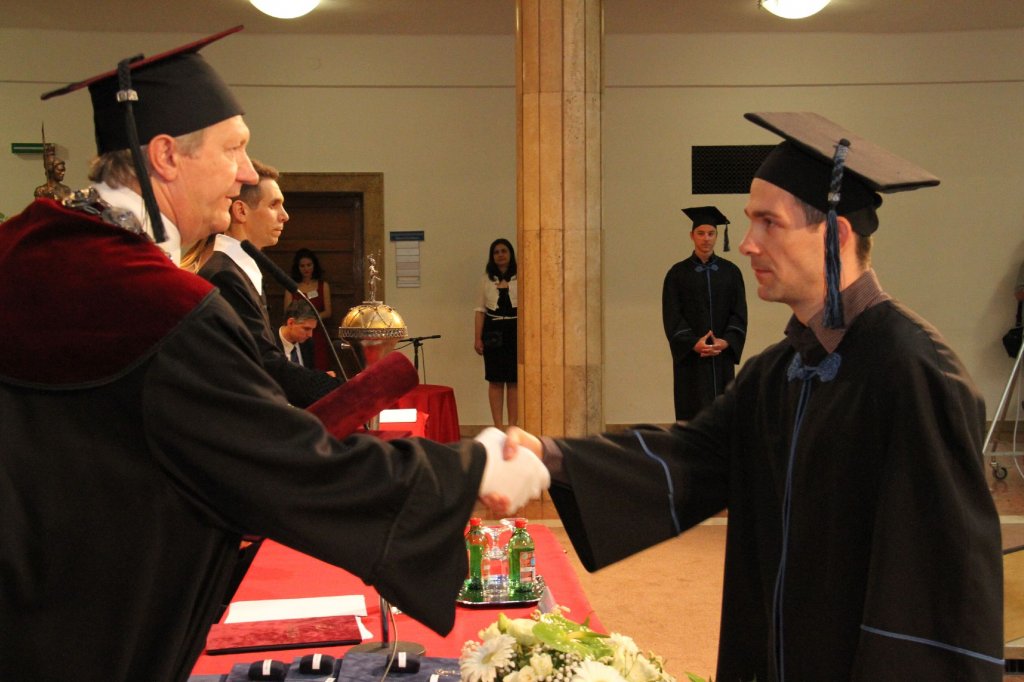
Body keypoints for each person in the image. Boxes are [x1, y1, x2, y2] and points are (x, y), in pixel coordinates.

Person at [0, 28, 549, 682]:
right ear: (166, 155)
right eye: (234, 148)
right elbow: (288, 464)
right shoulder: (162, 306)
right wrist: (469, 470)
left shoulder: (23, 253)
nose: (246, 174)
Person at [498, 112, 1004, 680]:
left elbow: (940, 593)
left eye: (769, 223)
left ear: (834, 235)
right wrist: (549, 457)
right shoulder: (777, 373)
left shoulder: (914, 373)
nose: (746, 244)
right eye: (748, 223)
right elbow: (692, 456)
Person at [198, 159, 342, 407]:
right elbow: (261, 362)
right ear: (241, 211)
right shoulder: (224, 274)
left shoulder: (239, 268)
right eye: (274, 205)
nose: (285, 216)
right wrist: (334, 388)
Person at [661, 205, 747, 420]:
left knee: (723, 411)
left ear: (717, 236)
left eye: (711, 233)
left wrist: (726, 341)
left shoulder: (731, 272)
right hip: (692, 357)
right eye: (701, 233)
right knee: (692, 408)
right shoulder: (677, 274)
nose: (706, 238)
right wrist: (692, 342)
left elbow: (739, 312)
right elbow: (672, 314)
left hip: (721, 355)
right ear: (692, 236)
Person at [474, 238, 518, 428]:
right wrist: (477, 338)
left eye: (504, 251)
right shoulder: (486, 279)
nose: (500, 255)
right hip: (493, 331)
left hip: (515, 330)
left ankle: (513, 426)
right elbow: (480, 311)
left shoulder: (520, 277)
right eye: (496, 252)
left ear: (510, 254)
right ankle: (498, 426)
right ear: (492, 256)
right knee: (495, 380)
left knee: (514, 381)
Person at [284, 247, 333, 371]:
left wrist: (310, 320)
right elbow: (287, 313)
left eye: (309, 265)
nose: (306, 269)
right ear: (298, 268)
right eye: (302, 266)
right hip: (298, 333)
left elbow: (328, 311)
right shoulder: (291, 288)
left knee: (320, 366)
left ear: (314, 266)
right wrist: (302, 322)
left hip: (317, 333)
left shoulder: (323, 285)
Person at [281, 299, 318, 366]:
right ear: (291, 323)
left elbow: (310, 371)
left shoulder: (308, 344)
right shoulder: (270, 342)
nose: (310, 335)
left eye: (312, 329)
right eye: (306, 329)